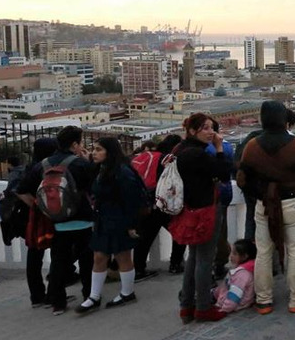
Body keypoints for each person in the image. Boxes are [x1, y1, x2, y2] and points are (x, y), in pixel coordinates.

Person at [237, 101, 295, 315]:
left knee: (264, 252)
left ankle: (264, 300)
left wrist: (261, 190)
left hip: (265, 203)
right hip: (292, 201)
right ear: (284, 119)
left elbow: (241, 179)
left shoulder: (253, 145)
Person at [16, 126, 96, 315]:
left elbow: (21, 190)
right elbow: (96, 186)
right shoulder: (79, 164)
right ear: (75, 144)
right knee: (86, 260)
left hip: (57, 221)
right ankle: (88, 296)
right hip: (83, 219)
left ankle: (58, 303)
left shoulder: (42, 165)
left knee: (58, 261)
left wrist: (42, 208)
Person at [173, 113, 234, 323]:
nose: (211, 133)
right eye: (205, 128)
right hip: (205, 209)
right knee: (205, 259)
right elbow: (225, 173)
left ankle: (186, 305)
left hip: (189, 209)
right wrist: (218, 148)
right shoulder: (197, 154)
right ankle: (203, 307)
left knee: (194, 257)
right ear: (192, 131)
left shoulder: (180, 150)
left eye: (212, 128)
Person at [76, 137, 146, 313]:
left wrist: (131, 225)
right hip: (104, 219)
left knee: (123, 257)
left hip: (119, 220)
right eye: (94, 149)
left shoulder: (122, 172)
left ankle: (127, 292)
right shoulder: (102, 170)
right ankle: (94, 296)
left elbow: (132, 200)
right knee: (99, 257)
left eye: (99, 149)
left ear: (110, 152)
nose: (94, 152)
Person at [133, 134, 183, 279]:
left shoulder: (146, 156)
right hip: (162, 204)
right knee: (179, 233)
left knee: (144, 239)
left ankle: (139, 269)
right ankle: (175, 264)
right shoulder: (168, 159)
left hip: (145, 203)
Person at [20, 138, 58, 306]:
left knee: (34, 256)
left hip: (34, 218)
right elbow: (21, 191)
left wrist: (36, 206)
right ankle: (52, 294)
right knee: (58, 253)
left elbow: (20, 190)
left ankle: (37, 296)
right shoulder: (43, 168)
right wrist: (42, 206)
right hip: (46, 216)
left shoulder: (31, 168)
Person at [206, 117, 236, 281]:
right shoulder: (226, 146)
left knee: (209, 233)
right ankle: (219, 263)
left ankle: (211, 266)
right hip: (224, 193)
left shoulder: (204, 150)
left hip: (210, 195)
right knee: (221, 230)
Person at [211, 238, 257, 315]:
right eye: (231, 253)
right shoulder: (240, 270)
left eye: (235, 254)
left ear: (244, 256)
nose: (231, 256)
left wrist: (222, 309)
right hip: (224, 295)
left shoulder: (242, 275)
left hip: (230, 303)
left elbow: (234, 297)